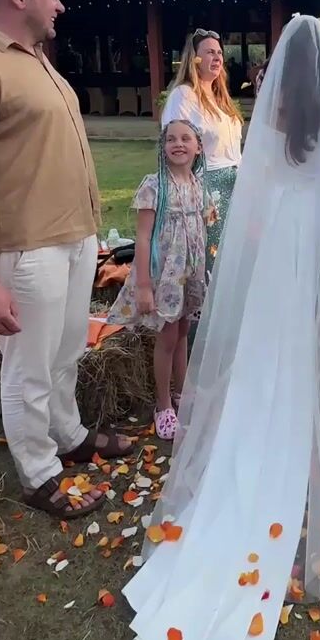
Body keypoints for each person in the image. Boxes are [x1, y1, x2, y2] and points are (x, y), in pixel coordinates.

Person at [123, 15, 320, 640]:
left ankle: (250, 430)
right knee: (294, 351)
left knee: (260, 348)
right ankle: (287, 438)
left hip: (273, 244)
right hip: (306, 243)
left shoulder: (270, 116)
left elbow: (252, 201)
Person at [0, 0, 131, 520]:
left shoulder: (36, 59)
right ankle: (38, 473)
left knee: (67, 351)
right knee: (29, 369)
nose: (61, 5)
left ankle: (68, 435)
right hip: (25, 246)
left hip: (73, 236)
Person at [108, 121, 215, 440]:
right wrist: (143, 285)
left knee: (182, 331)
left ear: (198, 147)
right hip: (165, 276)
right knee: (167, 337)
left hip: (189, 275)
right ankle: (163, 404)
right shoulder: (155, 186)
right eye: (171, 139)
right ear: (163, 146)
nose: (178, 144)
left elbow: (202, 230)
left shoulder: (198, 185)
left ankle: (182, 391)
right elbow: (142, 238)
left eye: (185, 139)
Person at [161, 29, 242, 276]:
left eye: (219, 53)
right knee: (211, 260)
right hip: (208, 187)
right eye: (209, 52)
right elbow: (174, 147)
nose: (217, 58)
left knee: (233, 259)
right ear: (194, 58)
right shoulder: (184, 96)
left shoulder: (220, 97)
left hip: (236, 185)